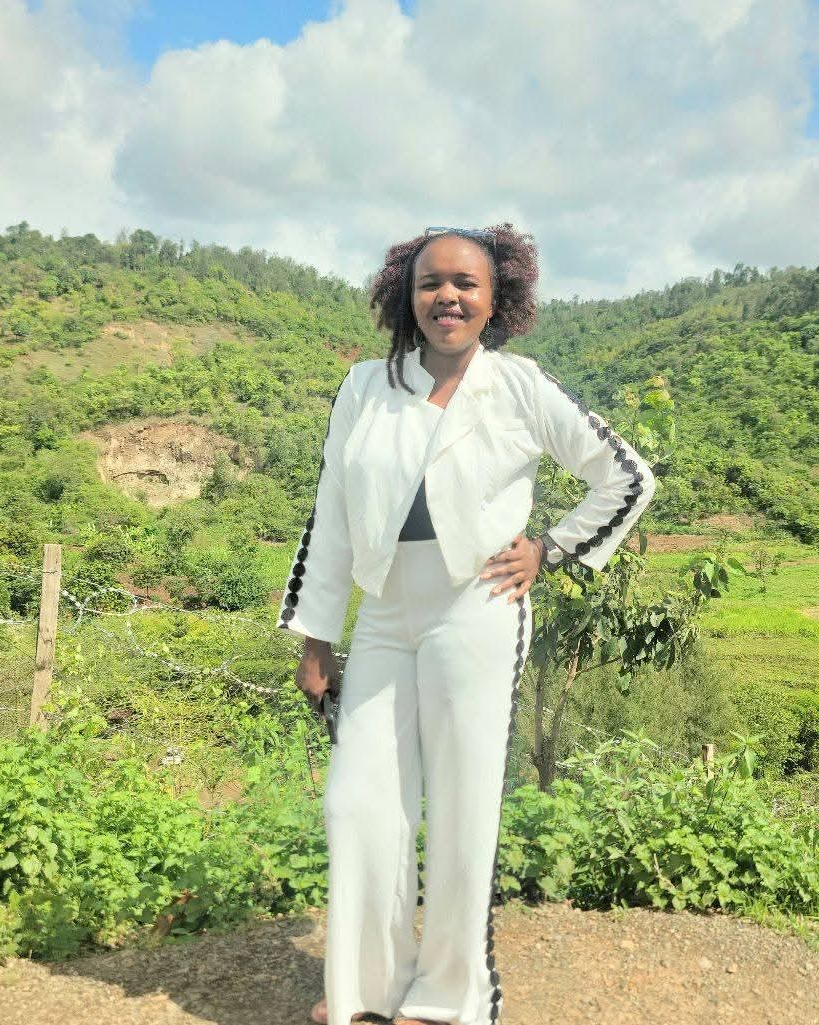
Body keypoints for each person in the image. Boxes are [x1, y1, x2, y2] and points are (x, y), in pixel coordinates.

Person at [277, 224, 656, 1025]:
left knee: (462, 805)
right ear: (405, 296)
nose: (447, 296)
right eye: (431, 283)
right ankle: (367, 990)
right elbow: (332, 514)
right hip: (384, 610)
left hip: (476, 605)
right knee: (358, 801)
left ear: (495, 298)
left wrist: (549, 549)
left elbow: (625, 476)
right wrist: (317, 638)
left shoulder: (518, 385)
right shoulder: (364, 387)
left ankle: (449, 998)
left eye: (465, 284)